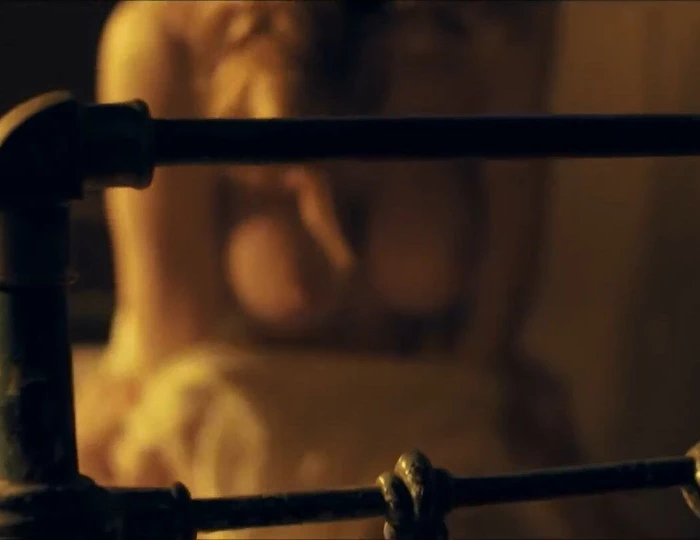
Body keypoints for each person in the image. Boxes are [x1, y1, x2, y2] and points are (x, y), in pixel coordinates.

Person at [77, 1, 618, 537]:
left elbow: (488, 338)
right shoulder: (169, 35)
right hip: (235, 443)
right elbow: (179, 356)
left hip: (437, 438)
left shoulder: (492, 32)